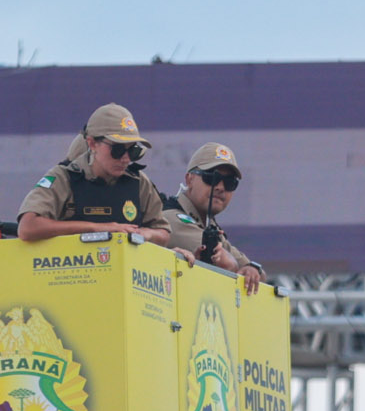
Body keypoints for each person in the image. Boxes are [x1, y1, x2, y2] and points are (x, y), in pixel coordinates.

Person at [14, 103, 185, 253]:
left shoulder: (138, 182)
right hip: (69, 277)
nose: (125, 158)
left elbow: (162, 233)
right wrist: (99, 229)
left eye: (133, 151)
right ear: (92, 143)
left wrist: (144, 234)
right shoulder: (64, 177)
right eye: (117, 150)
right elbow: (28, 228)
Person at [162, 142, 265, 294]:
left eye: (230, 182)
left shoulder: (209, 226)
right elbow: (215, 257)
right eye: (211, 178)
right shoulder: (170, 218)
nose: (220, 187)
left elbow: (260, 275)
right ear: (189, 179)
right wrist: (237, 267)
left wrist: (251, 269)